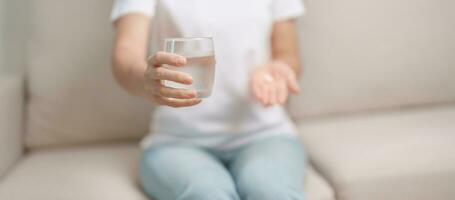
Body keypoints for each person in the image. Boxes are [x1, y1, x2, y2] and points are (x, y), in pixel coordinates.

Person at [111, 0, 306, 199]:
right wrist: (146, 78)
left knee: (273, 192)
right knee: (207, 194)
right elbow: (127, 52)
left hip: (266, 136)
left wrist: (280, 70)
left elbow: (288, 55)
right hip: (177, 142)